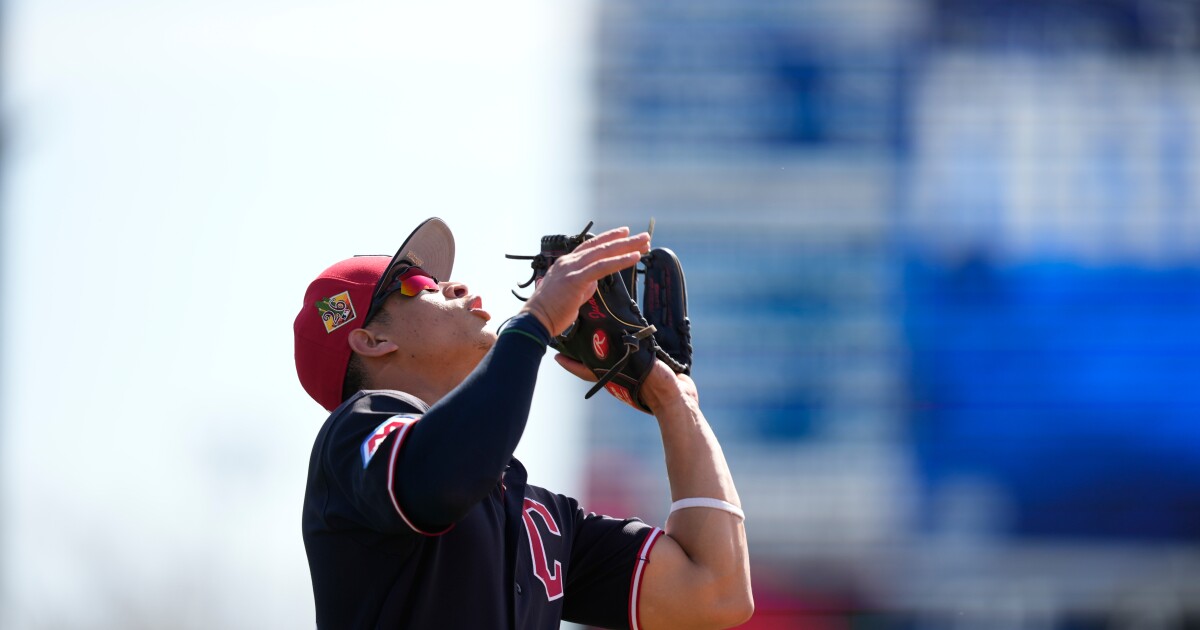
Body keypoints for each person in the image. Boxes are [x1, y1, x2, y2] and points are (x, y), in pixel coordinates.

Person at [293, 217, 753, 629]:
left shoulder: (537, 515)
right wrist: (536, 320)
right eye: (417, 284)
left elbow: (716, 593)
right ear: (372, 341)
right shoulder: (354, 435)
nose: (454, 286)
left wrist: (673, 401)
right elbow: (439, 477)